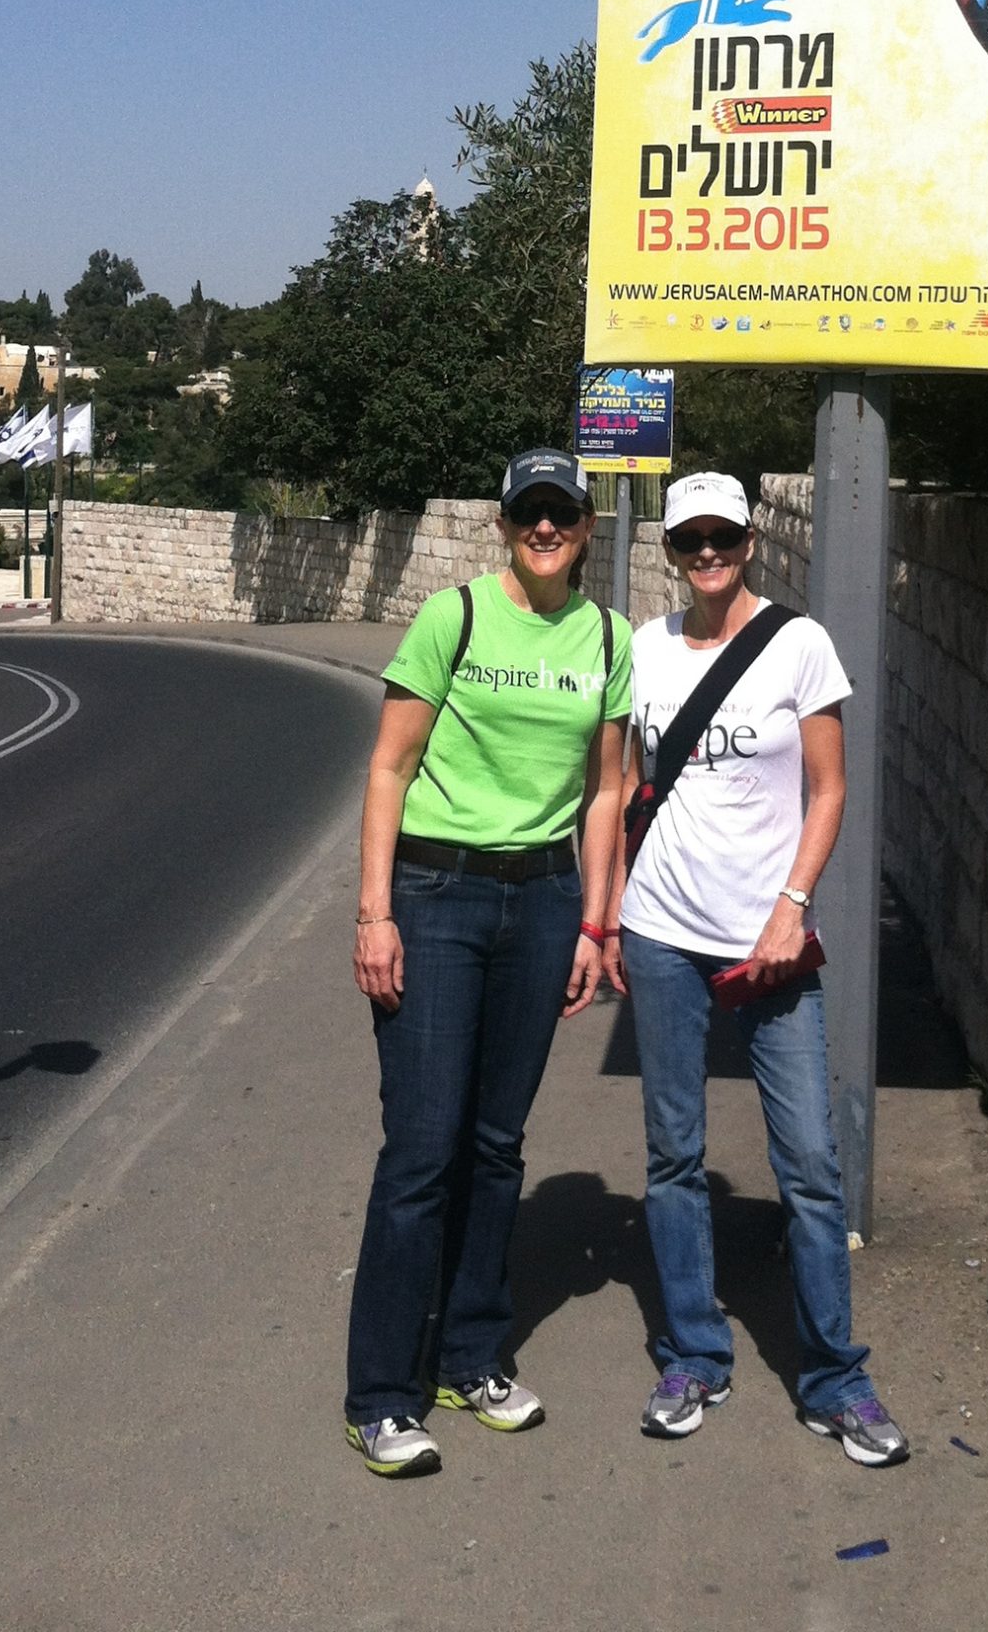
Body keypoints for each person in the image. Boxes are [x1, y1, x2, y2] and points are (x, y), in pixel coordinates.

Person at [603, 470, 909, 1466]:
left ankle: (834, 1376)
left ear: (748, 539)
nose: (706, 552)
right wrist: (599, 916)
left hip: (770, 941)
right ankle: (694, 1353)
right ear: (670, 548)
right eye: (689, 537)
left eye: (721, 536)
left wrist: (791, 908)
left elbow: (830, 789)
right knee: (673, 1156)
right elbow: (609, 786)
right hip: (660, 931)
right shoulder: (641, 650)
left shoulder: (797, 643)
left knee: (812, 1166)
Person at [343, 448, 631, 1479]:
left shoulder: (606, 637)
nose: (545, 528)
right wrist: (375, 913)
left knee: (498, 1145)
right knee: (422, 1149)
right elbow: (389, 765)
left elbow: (605, 793)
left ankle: (471, 1355)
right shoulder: (452, 618)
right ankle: (382, 1393)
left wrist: (597, 924)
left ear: (586, 527)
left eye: (561, 513)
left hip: (543, 901)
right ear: (506, 525)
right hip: (437, 895)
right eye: (529, 514)